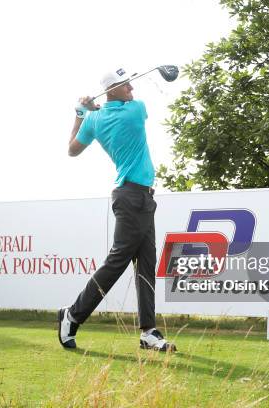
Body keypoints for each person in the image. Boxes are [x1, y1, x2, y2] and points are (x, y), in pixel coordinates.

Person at [57, 67, 176, 352]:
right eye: (126, 86)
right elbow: (123, 109)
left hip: (140, 198)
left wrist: (81, 113)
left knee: (146, 265)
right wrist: (91, 110)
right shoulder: (135, 111)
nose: (132, 91)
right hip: (132, 196)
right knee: (118, 261)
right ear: (112, 90)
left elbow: (72, 149)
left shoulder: (94, 120)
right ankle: (72, 315)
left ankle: (149, 332)